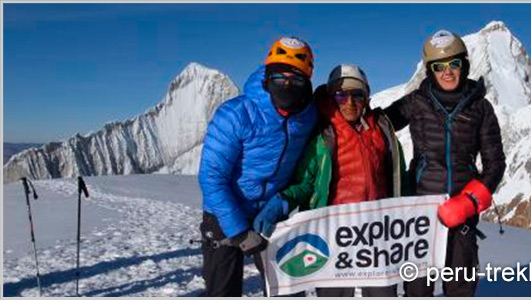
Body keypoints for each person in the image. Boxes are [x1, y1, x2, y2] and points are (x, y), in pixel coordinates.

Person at [384, 30, 506, 297]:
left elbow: (495, 164)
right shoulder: (415, 103)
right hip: (420, 213)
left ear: (464, 65)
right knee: (417, 289)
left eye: (454, 64)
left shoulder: (481, 108)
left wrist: (469, 202)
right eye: (439, 66)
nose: (447, 72)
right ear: (430, 70)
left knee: (460, 288)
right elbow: (377, 126)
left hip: (461, 214)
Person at [197, 36, 318, 297]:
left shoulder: (309, 116)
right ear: (266, 79)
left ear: (306, 84)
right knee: (223, 290)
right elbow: (212, 176)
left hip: (271, 214)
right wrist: (239, 232)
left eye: (295, 80)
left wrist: (283, 203)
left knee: (287, 288)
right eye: (278, 79)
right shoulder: (235, 114)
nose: (286, 86)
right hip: (224, 212)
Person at [272, 64, 407, 297]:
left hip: (377, 234)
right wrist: (284, 200)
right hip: (333, 234)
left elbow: (398, 177)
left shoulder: (382, 131)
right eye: (341, 95)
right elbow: (305, 183)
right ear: (332, 98)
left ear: (366, 98)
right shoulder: (322, 136)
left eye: (357, 95)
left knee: (383, 294)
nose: (350, 102)